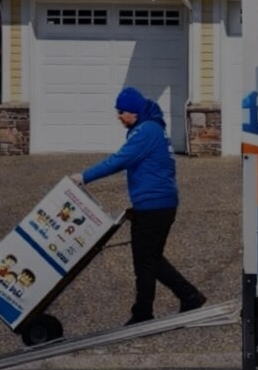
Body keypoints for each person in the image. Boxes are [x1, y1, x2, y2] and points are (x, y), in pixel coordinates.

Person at [70, 87, 205, 325]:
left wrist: (84, 176)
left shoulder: (146, 131)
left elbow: (119, 160)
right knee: (150, 258)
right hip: (155, 205)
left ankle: (146, 312)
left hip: (155, 206)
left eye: (122, 111)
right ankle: (188, 296)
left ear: (134, 111)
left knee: (145, 260)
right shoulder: (151, 129)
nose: (119, 116)